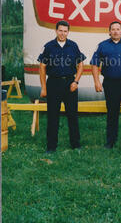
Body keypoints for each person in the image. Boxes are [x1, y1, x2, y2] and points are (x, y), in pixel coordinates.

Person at [38, 20, 86, 153]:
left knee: (72, 115)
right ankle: (51, 146)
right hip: (53, 83)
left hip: (70, 83)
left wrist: (76, 81)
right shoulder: (48, 47)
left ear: (68, 32)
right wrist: (43, 87)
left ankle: (75, 144)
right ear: (56, 31)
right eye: (60, 30)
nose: (63, 33)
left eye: (65, 31)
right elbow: (42, 67)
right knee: (53, 116)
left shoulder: (73, 46)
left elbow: (80, 65)